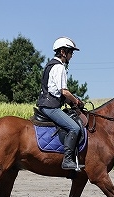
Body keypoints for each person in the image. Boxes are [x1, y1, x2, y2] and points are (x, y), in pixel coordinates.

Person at [37, 37, 83, 171]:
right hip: (50, 107)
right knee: (75, 128)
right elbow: (64, 91)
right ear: (63, 52)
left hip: (46, 104)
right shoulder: (59, 67)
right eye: (71, 52)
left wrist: (71, 101)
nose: (72, 55)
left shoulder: (50, 65)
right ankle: (67, 160)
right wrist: (76, 101)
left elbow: (57, 91)